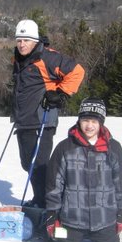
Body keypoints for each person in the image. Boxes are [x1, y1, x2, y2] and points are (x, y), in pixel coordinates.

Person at [12, 19, 85, 208]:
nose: (22, 44)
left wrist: (60, 93)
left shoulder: (48, 58)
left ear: (35, 40)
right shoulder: (18, 59)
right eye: (19, 40)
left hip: (41, 119)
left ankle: (49, 205)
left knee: (40, 165)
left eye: (26, 40)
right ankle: (40, 199)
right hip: (24, 120)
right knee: (28, 163)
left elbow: (77, 71)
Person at [44, 98, 122, 242]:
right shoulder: (65, 147)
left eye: (94, 121)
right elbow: (54, 185)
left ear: (101, 123)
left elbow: (120, 183)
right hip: (71, 219)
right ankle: (48, 232)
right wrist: (51, 214)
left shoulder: (113, 148)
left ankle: (107, 239)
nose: (89, 126)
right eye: (85, 120)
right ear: (79, 121)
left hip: (104, 218)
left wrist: (120, 212)